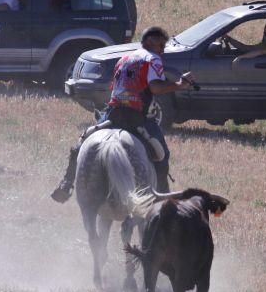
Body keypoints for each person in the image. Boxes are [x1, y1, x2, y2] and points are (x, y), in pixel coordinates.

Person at [51, 26, 194, 203]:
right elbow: (155, 87)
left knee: (82, 143)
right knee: (161, 154)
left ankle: (66, 184)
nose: (162, 50)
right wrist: (179, 85)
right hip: (137, 116)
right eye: (160, 46)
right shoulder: (153, 59)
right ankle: (162, 200)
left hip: (113, 113)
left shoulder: (124, 58)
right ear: (150, 43)